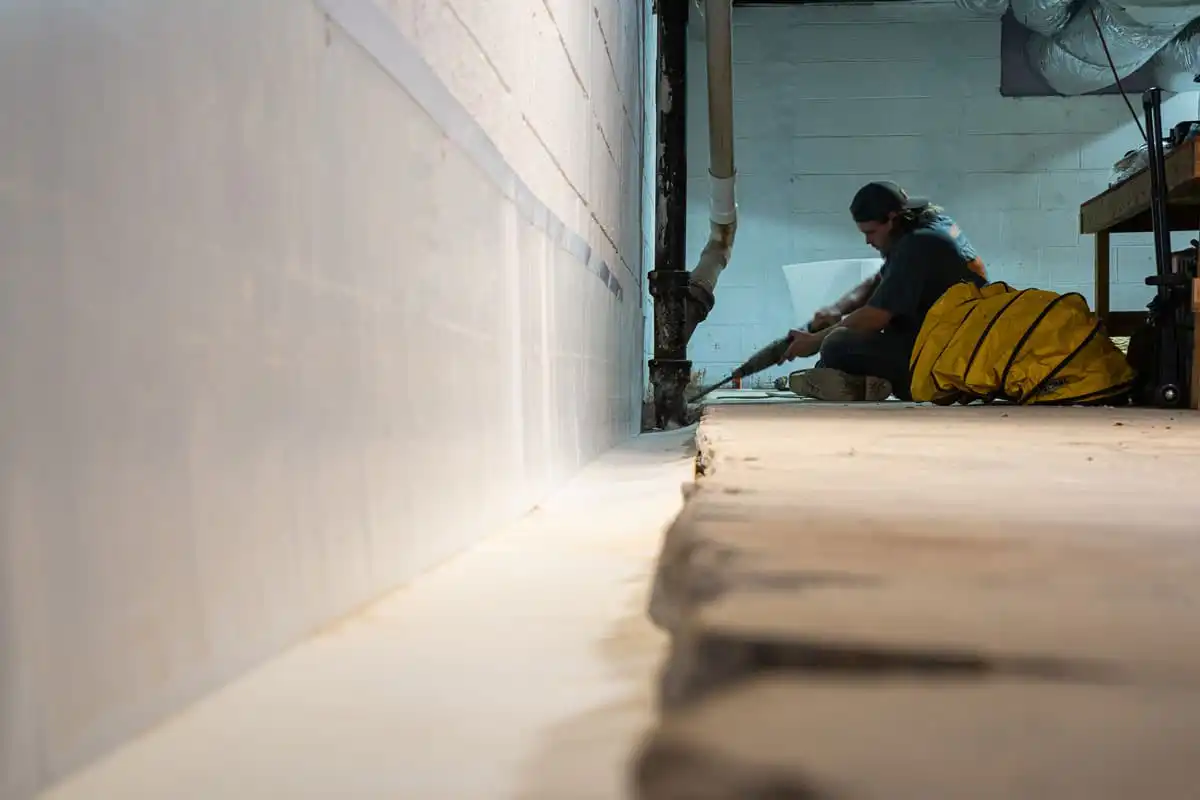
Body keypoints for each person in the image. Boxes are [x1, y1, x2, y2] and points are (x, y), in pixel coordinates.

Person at [778, 181, 989, 402]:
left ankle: (849, 380)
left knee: (836, 344)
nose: (867, 240)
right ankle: (860, 382)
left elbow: (874, 317)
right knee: (848, 338)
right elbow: (878, 280)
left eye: (871, 232)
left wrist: (814, 341)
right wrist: (836, 309)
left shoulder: (917, 246)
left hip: (939, 360)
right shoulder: (934, 224)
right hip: (954, 344)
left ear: (892, 218)